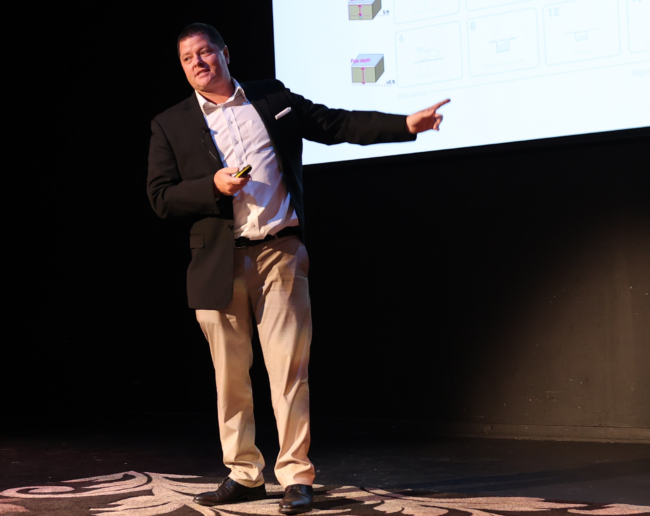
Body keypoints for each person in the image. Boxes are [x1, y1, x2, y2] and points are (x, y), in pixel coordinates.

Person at [146, 23, 449, 515]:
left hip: (280, 253)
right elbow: (160, 198)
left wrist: (405, 125)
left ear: (225, 53)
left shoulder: (270, 97)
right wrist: (213, 187)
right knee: (231, 377)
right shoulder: (170, 123)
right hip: (218, 262)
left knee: (289, 371)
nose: (198, 63)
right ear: (183, 69)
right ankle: (243, 474)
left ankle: (295, 476)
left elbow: (336, 124)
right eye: (187, 59)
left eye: (205, 52)